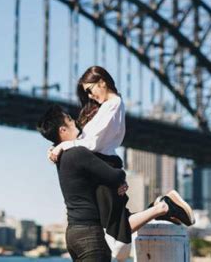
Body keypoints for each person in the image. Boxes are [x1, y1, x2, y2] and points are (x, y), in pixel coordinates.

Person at [47, 66, 195, 260]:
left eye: (90, 90)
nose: (90, 96)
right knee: (114, 225)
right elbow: (86, 140)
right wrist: (57, 145)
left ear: (102, 82)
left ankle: (163, 207)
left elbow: (92, 143)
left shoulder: (114, 104)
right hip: (99, 167)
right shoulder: (104, 108)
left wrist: (63, 147)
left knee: (115, 230)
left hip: (104, 165)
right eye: (86, 93)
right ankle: (162, 207)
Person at [37, 105, 174, 261]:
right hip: (90, 234)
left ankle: (160, 209)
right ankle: (162, 208)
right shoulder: (78, 153)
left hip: (73, 233)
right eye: (69, 119)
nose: (75, 121)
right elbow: (115, 176)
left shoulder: (60, 156)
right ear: (62, 130)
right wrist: (120, 177)